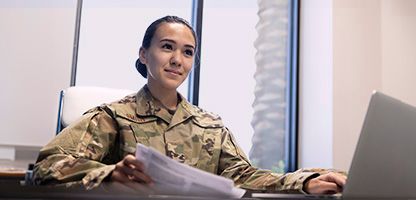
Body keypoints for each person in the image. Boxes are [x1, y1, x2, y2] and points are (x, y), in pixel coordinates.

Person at [33, 15, 346, 194]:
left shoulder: (210, 126)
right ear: (144, 54)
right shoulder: (113, 117)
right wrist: (110, 172)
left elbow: (246, 177)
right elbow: (47, 165)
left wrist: (305, 181)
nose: (176, 60)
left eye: (187, 52)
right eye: (167, 47)